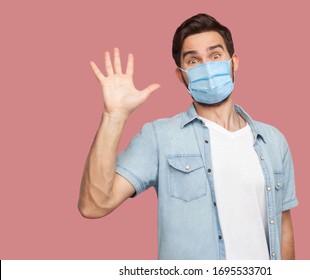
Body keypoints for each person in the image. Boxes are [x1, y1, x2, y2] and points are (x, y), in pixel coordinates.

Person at [78, 13, 298, 260]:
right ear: (180, 75)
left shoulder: (273, 141)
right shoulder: (160, 137)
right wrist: (113, 116)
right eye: (193, 61)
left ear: (233, 62)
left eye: (215, 56)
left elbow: (283, 226)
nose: (206, 66)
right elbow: (94, 205)